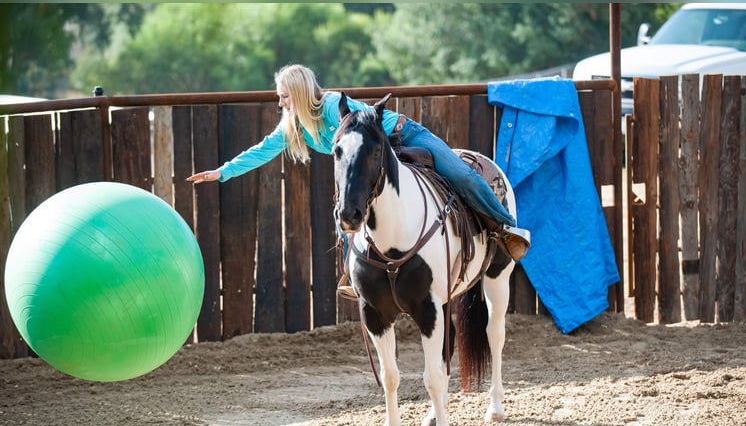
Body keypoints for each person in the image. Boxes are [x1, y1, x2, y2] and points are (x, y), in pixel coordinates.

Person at [188, 64, 531, 299]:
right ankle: (355, 275)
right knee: (347, 213)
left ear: (300, 92)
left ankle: (504, 226)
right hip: (375, 162)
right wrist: (223, 172)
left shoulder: (335, 104)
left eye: (284, 96)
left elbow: (368, 123)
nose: (280, 102)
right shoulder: (293, 126)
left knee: (460, 174)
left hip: (401, 135)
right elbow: (262, 151)